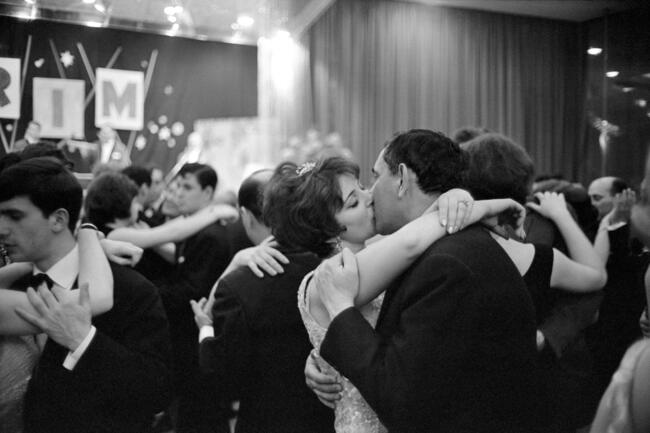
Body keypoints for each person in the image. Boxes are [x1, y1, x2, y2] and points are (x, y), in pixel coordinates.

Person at [305, 130, 538, 432]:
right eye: (354, 199)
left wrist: (339, 313)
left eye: (373, 179)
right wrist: (321, 355)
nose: (370, 195)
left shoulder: (445, 265)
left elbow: (403, 398)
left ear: (401, 178)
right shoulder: (438, 249)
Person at [0, 157, 171, 433]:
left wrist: (85, 343)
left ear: (58, 219)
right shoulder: (12, 285)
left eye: (15, 216)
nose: (1, 229)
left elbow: (155, 391)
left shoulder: (130, 288)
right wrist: (90, 234)